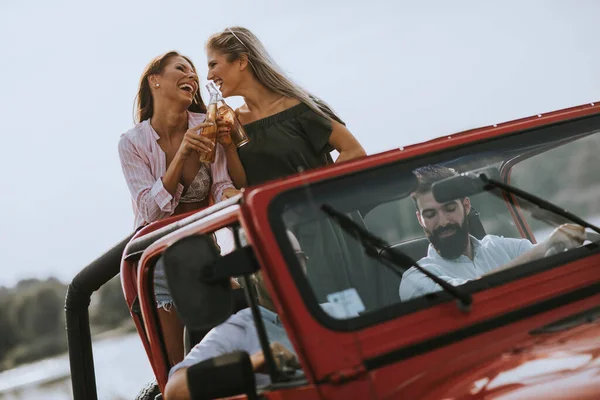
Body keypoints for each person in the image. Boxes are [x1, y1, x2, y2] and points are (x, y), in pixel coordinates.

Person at [118, 51, 239, 364]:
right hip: (157, 263)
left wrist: (236, 197)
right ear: (154, 80)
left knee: (226, 355)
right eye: (181, 69)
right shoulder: (132, 143)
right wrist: (183, 152)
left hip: (204, 254)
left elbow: (222, 185)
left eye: (194, 72)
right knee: (175, 366)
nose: (192, 76)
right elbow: (150, 212)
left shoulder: (209, 122)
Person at [163, 231, 357, 400]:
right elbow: (174, 390)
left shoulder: (338, 312)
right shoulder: (239, 329)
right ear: (252, 273)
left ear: (305, 262)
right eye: (273, 260)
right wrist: (253, 362)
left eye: (295, 258)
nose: (288, 268)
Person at [204, 26, 367, 189]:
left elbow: (353, 151)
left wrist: (320, 193)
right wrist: (229, 147)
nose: (209, 76)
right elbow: (244, 186)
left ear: (241, 61)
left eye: (213, 64)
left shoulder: (299, 107)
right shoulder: (235, 121)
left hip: (322, 212)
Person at [399, 165, 587, 301]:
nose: (442, 222)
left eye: (449, 208)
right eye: (430, 214)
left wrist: (567, 240)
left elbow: (556, 255)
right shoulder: (415, 279)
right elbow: (463, 295)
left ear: (465, 206)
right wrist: (545, 247)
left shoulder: (500, 247)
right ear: (420, 219)